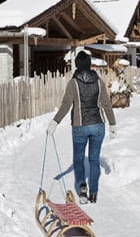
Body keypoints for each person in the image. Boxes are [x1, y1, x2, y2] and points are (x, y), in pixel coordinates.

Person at [47, 49, 117, 203]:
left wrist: (55, 122)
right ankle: (94, 193)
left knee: (78, 160)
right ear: (90, 64)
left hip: (80, 126)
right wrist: (112, 124)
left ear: (77, 65)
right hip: (98, 125)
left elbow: (66, 105)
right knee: (94, 160)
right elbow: (106, 104)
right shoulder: (99, 81)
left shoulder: (73, 82)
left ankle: (82, 187)